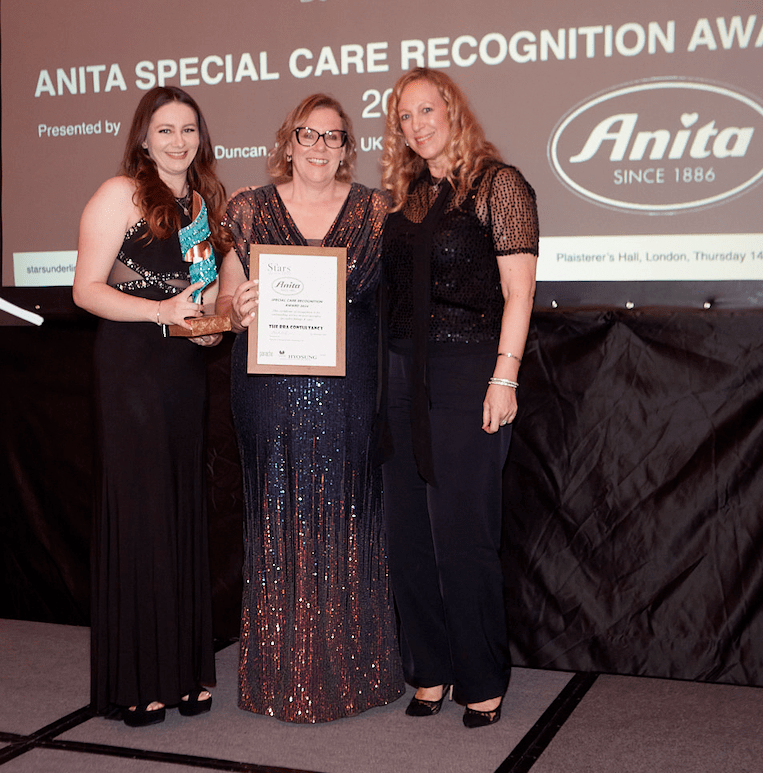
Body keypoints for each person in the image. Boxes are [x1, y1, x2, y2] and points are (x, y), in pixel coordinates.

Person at [217, 93, 404, 723]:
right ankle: (280, 676)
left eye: (333, 136)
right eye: (308, 134)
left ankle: (356, 673)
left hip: (351, 390)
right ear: (288, 141)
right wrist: (235, 310)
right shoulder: (248, 208)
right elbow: (224, 300)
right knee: (277, 516)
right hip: (266, 391)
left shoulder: (376, 210)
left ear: (347, 146)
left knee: (347, 518)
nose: (320, 147)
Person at [379, 68, 539, 728]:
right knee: (407, 535)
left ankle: (481, 677)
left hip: (468, 370)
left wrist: (505, 376)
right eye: (404, 116)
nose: (416, 125)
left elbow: (519, 292)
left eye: (426, 110)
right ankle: (430, 667)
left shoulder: (499, 184)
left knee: (463, 534)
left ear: (452, 110)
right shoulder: (405, 197)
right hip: (399, 375)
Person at [73, 86, 232, 727]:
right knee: (142, 513)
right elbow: (86, 290)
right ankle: (139, 680)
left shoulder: (201, 203)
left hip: (182, 372)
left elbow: (204, 294)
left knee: (179, 508)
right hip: (131, 368)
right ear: (144, 138)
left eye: (188, 129)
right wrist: (160, 311)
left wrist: (213, 328)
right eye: (165, 130)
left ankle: (182, 671)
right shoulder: (121, 194)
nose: (178, 141)